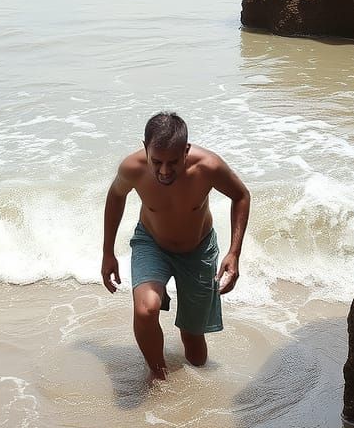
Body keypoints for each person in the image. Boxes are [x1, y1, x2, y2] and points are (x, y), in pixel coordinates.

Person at [101, 111, 251, 381]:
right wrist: (107, 252)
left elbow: (241, 195)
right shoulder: (132, 168)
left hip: (198, 250)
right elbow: (115, 196)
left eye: (173, 162)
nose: (164, 171)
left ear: (186, 150)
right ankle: (158, 378)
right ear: (145, 148)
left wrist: (234, 252)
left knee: (195, 349)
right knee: (146, 309)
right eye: (156, 161)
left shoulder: (208, 167)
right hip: (151, 244)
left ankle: (194, 383)